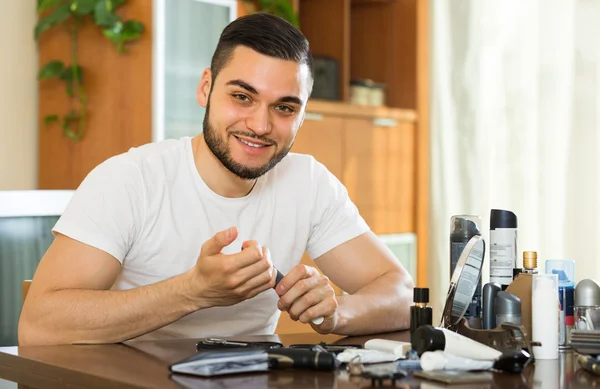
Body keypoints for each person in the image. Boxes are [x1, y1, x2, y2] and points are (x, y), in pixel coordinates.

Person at [18, 13, 414, 346]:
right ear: (206, 88)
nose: (260, 125)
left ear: (302, 115)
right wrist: (191, 291)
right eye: (242, 97)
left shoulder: (309, 183)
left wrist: (336, 313)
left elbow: (401, 293)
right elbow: (38, 324)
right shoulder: (130, 180)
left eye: (284, 107)